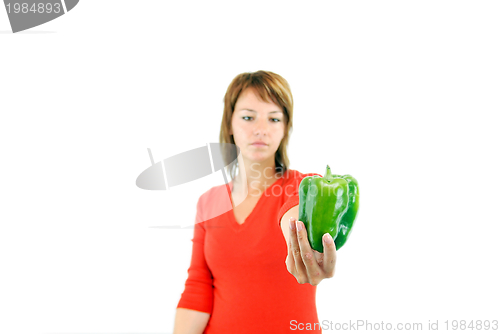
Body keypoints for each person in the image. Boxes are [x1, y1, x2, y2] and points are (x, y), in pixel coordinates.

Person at [173, 70, 337, 334]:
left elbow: (293, 207)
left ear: (285, 129)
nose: (260, 129)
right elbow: (198, 286)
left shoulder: (306, 185)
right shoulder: (208, 202)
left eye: (274, 119)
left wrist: (296, 232)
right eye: (248, 117)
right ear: (230, 123)